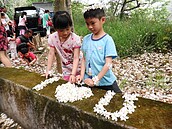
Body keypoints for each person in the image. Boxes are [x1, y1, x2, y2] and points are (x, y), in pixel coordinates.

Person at [76, 4, 122, 93]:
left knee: (119, 101)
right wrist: (81, 76)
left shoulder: (107, 40)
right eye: (87, 23)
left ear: (103, 20)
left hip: (105, 81)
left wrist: (96, 80)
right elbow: (84, 59)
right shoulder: (86, 39)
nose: (90, 27)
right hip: (88, 80)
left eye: (93, 23)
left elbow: (108, 64)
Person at [46, 11, 82, 83]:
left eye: (67, 29)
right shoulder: (53, 38)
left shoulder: (75, 39)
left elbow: (76, 57)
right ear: (56, 29)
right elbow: (51, 54)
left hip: (79, 66)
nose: (65, 33)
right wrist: (48, 70)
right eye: (61, 30)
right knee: (67, 85)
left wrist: (73, 74)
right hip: (66, 68)